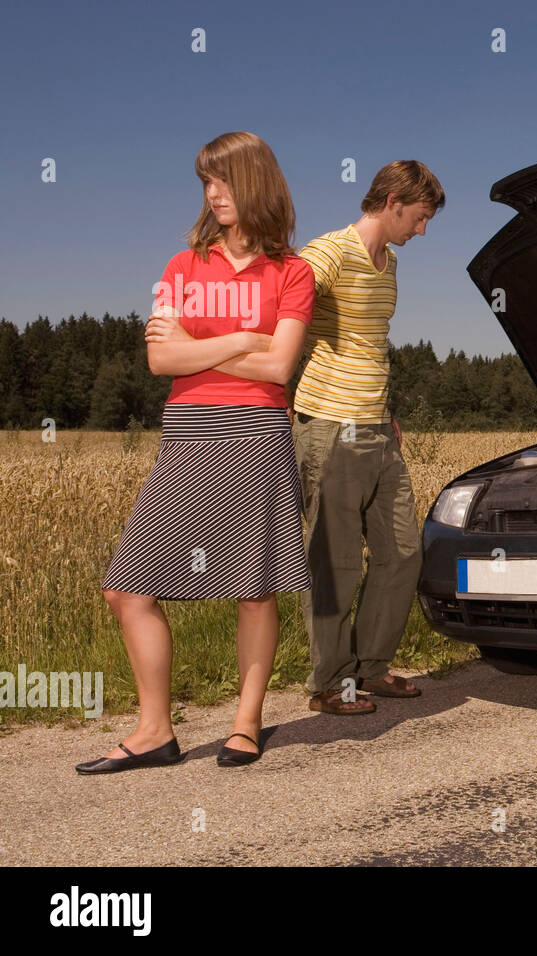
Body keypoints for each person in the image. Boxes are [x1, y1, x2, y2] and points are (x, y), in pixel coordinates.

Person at [77, 131, 314, 773]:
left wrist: (203, 342)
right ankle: (155, 730)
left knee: (257, 589)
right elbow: (160, 358)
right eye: (207, 181)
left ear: (257, 182)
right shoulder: (181, 266)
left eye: (225, 180)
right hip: (187, 430)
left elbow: (282, 366)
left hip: (258, 435)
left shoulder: (294, 272)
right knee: (125, 588)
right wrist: (242, 337)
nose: (213, 193)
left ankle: (246, 723)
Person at [292, 161, 444, 715]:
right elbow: (285, 308)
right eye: (421, 217)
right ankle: (329, 683)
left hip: (377, 425)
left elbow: (369, 344)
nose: (422, 230)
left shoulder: (391, 260)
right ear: (395, 200)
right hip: (330, 424)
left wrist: (387, 410)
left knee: (402, 550)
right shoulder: (330, 251)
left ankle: (371, 668)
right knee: (334, 561)